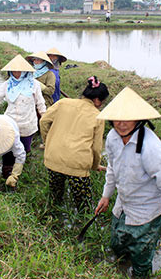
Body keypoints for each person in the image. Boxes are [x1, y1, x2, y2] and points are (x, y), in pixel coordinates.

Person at [94, 87, 161, 278]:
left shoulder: (151, 146)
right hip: (123, 206)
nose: (121, 124)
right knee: (117, 247)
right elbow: (111, 168)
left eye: (127, 119)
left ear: (139, 119)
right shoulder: (112, 137)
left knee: (141, 260)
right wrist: (106, 196)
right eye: (117, 118)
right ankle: (119, 275)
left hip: (146, 214)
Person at [40, 76, 109, 211]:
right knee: (84, 206)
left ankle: (53, 223)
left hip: (53, 158)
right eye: (102, 101)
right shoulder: (97, 116)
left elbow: (43, 121)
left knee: (55, 198)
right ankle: (81, 226)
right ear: (96, 100)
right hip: (78, 165)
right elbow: (96, 148)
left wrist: (48, 143)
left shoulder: (63, 103)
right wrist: (95, 165)